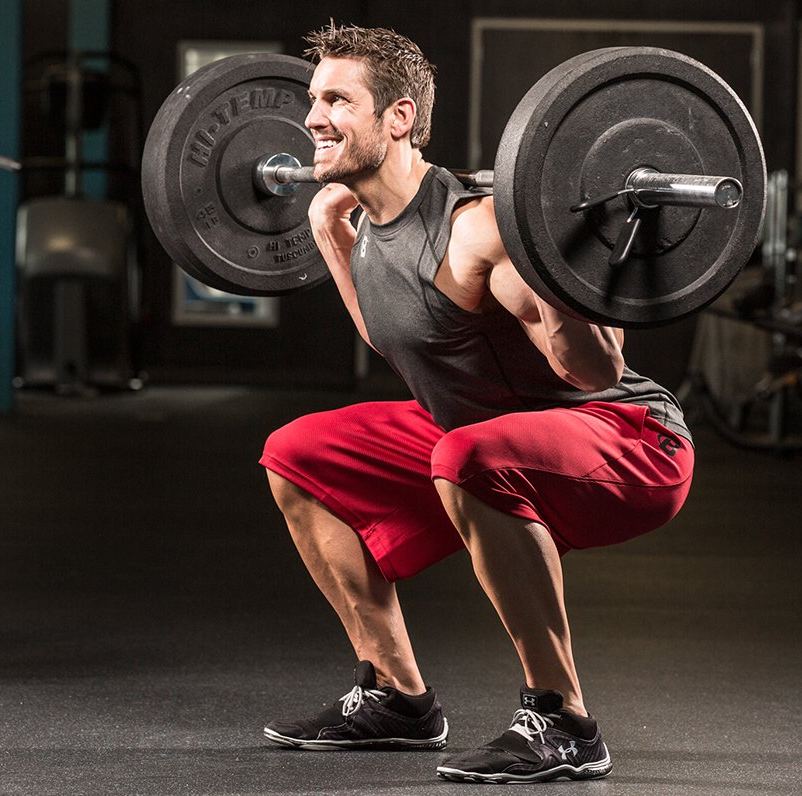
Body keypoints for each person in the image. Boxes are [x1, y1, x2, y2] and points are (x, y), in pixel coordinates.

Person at [259, 22, 694, 784]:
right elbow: (405, 343)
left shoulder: (478, 229)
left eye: (335, 100)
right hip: (483, 429)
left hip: (627, 437)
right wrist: (332, 241)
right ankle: (397, 697)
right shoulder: (362, 221)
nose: (312, 119)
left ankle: (564, 719)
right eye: (312, 99)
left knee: (466, 452)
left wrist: (556, 274)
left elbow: (594, 373)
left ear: (398, 118)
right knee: (298, 452)